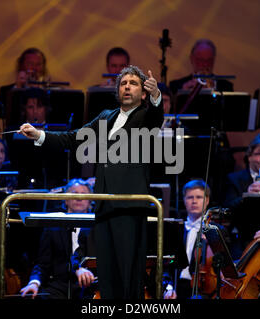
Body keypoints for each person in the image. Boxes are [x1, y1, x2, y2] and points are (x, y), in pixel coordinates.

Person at [19, 65, 163, 299]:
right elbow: (74, 137)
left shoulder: (145, 117)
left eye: (133, 83)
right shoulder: (106, 116)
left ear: (144, 93)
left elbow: (158, 116)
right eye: (124, 83)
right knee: (106, 273)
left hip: (129, 204)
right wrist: (39, 135)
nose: (127, 86)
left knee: (128, 272)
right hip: (104, 203)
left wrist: (157, 95)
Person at [20, 178, 96, 299]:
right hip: (58, 286)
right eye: (74, 193)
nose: (79, 198)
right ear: (65, 200)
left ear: (90, 201)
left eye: (83, 194)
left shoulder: (97, 227)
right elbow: (42, 264)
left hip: (90, 286)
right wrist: (34, 283)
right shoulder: (53, 226)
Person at [223, 133, 260, 210]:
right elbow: (227, 207)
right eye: (258, 154)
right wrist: (247, 196)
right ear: (249, 157)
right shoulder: (234, 179)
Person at [0, 47, 48, 119]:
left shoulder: (51, 91)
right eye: (30, 63)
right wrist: (17, 88)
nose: (34, 68)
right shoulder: (7, 90)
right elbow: (0, 113)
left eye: (38, 64)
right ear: (21, 66)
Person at [169, 39, 233, 96]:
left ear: (213, 60)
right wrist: (183, 93)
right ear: (191, 59)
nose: (205, 64)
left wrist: (213, 89)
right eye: (200, 60)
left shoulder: (226, 86)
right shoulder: (175, 86)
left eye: (209, 60)